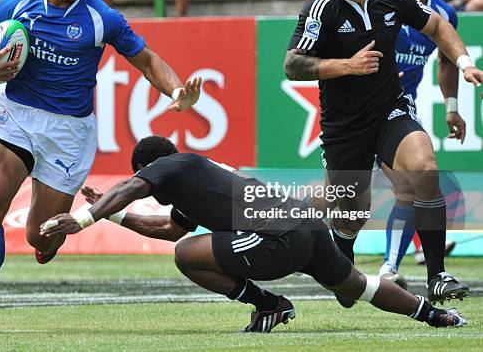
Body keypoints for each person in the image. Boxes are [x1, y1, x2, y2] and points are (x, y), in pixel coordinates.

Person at [0, 0, 202, 334]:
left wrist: (176, 92)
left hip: (68, 132)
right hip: (16, 114)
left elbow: (147, 60)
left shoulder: (102, 17)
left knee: (41, 237)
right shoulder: (14, 4)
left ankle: (58, 234)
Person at [40, 136, 466, 333]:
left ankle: (271, 306)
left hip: (278, 236)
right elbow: (167, 229)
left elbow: (133, 188)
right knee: (355, 286)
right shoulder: (195, 180)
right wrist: (114, 218)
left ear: (150, 168)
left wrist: (83, 219)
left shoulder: (173, 165)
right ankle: (432, 314)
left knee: (187, 256)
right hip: (307, 226)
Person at [283, 0, 482, 307]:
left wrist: (465, 63)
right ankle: (341, 255)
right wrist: (347, 66)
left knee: (424, 169)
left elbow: (438, 28)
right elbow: (292, 64)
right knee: (352, 213)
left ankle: (436, 275)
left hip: (391, 109)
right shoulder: (321, 8)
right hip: (344, 128)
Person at [378, 0, 464, 287]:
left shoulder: (444, 15)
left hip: (400, 111)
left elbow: (446, 61)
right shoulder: (375, 3)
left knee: (413, 186)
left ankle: (391, 269)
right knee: (341, 201)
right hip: (358, 110)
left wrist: (452, 108)